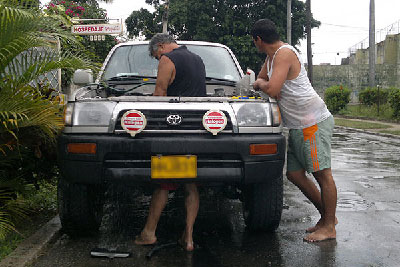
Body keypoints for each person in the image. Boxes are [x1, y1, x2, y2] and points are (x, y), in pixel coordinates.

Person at [251, 19, 337, 242]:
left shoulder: (284, 53)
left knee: (322, 174)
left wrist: (265, 85)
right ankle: (328, 217)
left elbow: (270, 86)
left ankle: (329, 226)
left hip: (313, 123)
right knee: (295, 175)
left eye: (254, 41)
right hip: (298, 125)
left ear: (259, 39)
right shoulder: (271, 59)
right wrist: (265, 84)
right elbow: (263, 80)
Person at [134, 33, 206, 251]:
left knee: (164, 182)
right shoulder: (197, 58)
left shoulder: (168, 59)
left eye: (156, 56)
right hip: (197, 129)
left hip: (175, 126)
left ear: (161, 46)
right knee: (191, 183)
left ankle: (149, 233)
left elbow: (160, 94)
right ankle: (189, 237)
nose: (158, 60)